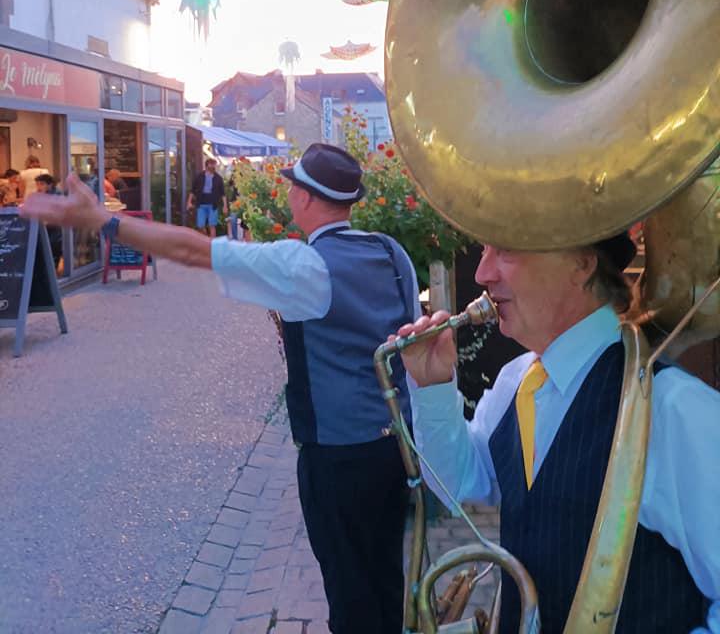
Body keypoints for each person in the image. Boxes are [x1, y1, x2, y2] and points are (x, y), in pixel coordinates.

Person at [21, 143, 418, 634]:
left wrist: (105, 221)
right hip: (395, 447)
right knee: (384, 576)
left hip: (336, 456)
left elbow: (191, 249)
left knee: (349, 591)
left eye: (293, 184)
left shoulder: (303, 266)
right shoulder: (389, 250)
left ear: (305, 198)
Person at [393, 237, 720, 634]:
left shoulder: (678, 410)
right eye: (485, 251)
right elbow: (463, 482)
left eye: (506, 249)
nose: (482, 273)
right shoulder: (517, 379)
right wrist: (432, 387)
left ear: (581, 264)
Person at [187, 158, 227, 238]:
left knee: (212, 225)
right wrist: (189, 202)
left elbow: (223, 193)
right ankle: (206, 239)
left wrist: (225, 206)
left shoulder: (218, 178)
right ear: (206, 166)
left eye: (214, 165)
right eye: (211, 165)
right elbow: (193, 190)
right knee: (200, 225)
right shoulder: (199, 176)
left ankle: (213, 245)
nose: (213, 167)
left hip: (213, 204)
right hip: (201, 203)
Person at [34, 173, 63, 272]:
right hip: (46, 226)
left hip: (55, 228)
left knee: (52, 246)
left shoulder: (56, 195)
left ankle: (52, 269)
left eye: (41, 184)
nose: (38, 187)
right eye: (37, 184)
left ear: (50, 185)